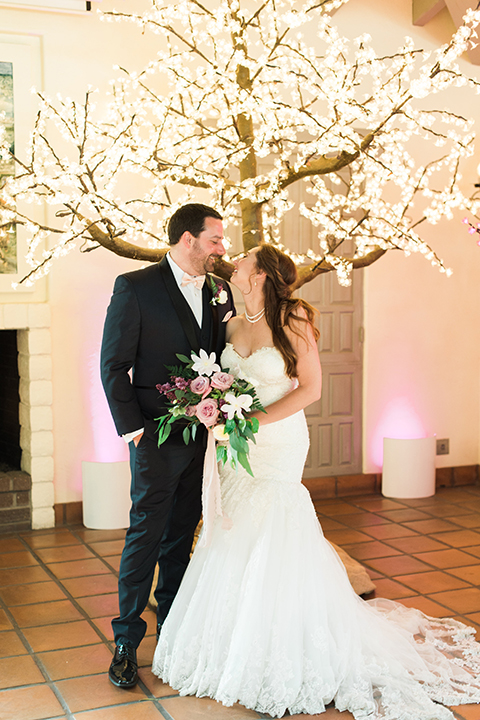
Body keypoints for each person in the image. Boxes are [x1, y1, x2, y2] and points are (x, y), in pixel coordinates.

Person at [152, 244, 480, 719]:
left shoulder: (294, 317)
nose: (235, 262)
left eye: (244, 259)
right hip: (233, 445)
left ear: (261, 273)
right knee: (234, 529)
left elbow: (311, 388)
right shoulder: (228, 321)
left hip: (277, 440)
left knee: (274, 526)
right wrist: (217, 416)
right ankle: (233, 642)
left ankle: (286, 648)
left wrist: (251, 421)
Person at [100, 203, 235, 688]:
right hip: (155, 437)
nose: (223, 248)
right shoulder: (134, 288)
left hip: (206, 437)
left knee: (183, 536)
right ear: (186, 239)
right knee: (146, 536)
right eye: (215, 239)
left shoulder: (220, 291)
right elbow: (113, 364)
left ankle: (173, 636)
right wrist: (132, 428)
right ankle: (125, 642)